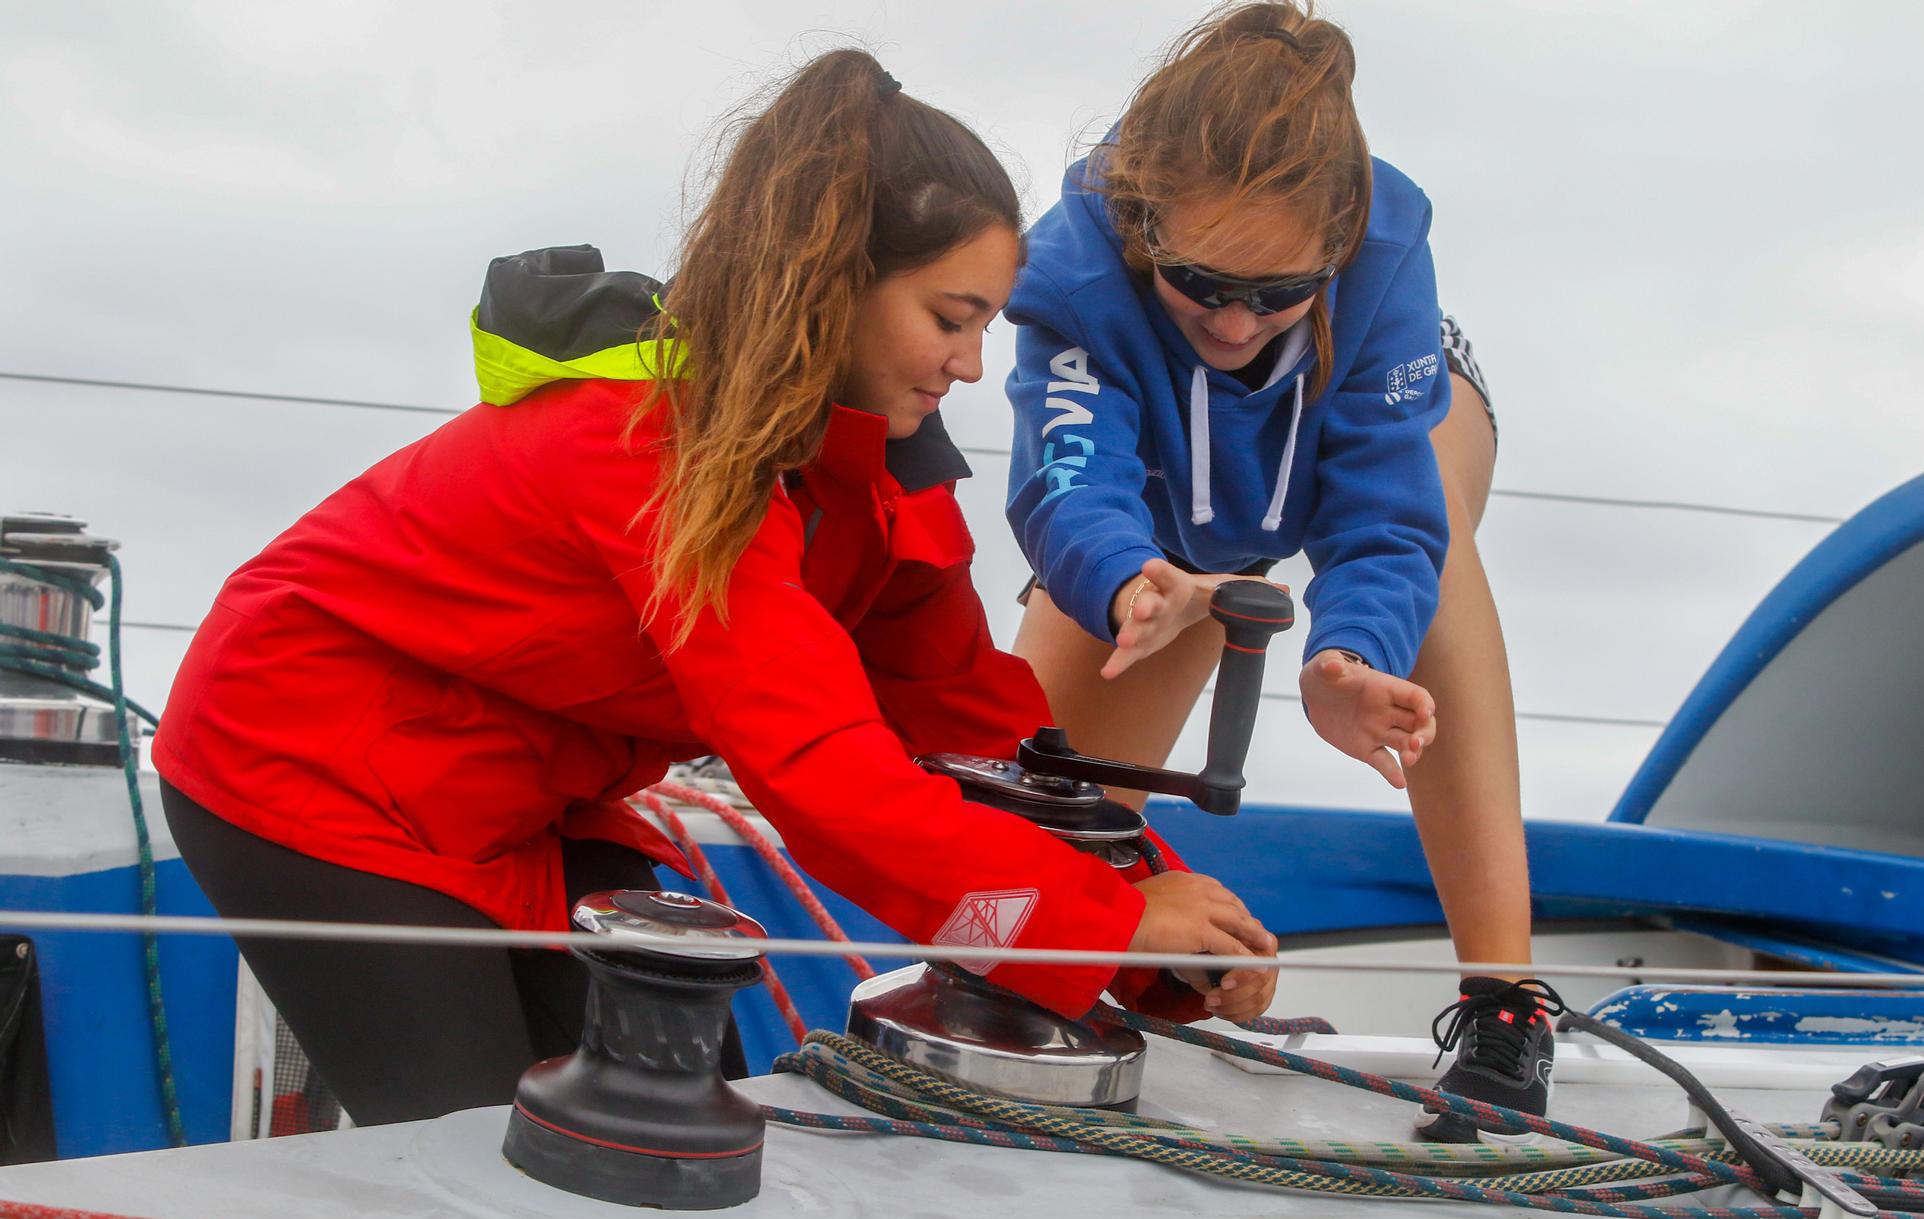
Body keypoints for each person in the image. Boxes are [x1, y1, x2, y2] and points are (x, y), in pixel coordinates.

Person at [154, 50, 1277, 1128]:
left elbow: (973, 720)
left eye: (986, 323)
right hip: (307, 770)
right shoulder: (648, 453)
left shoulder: (883, 471)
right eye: (950, 317)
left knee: (688, 1115)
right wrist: (1107, 926)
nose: (971, 365)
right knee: (493, 1159)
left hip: (520, 797)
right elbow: (822, 775)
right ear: (830, 284)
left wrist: (1167, 929)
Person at [1003, 2, 1557, 1142]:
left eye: (1277, 293)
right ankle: (1105, 962)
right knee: (1044, 803)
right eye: (1202, 282)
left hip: (1367, 422)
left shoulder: (1383, 260)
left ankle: (1506, 998)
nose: (1236, 321)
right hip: (1165, 482)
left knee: (1435, 545)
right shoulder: (1072, 266)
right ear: (1143, 224)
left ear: (1339, 252)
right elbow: (1069, 475)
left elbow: (1380, 512)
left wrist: (1348, 657)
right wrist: (1124, 583)